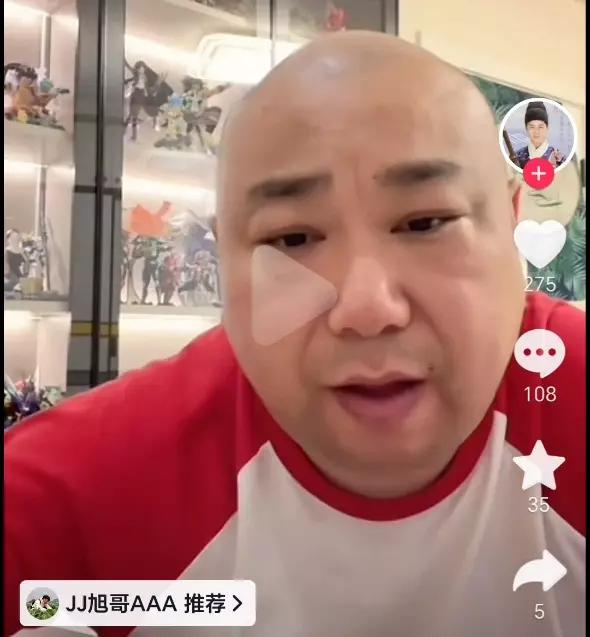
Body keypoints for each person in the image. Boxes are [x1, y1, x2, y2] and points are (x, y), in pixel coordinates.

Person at [4, 32, 585, 637]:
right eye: (292, 239)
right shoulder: (73, 499)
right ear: (223, 260)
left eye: (426, 222)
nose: (366, 308)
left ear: (512, 225)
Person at [514, 100, 567, 169]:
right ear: (526, 128)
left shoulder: (558, 158)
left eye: (540, 127)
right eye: (532, 127)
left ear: (547, 128)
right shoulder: (517, 157)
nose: (536, 131)